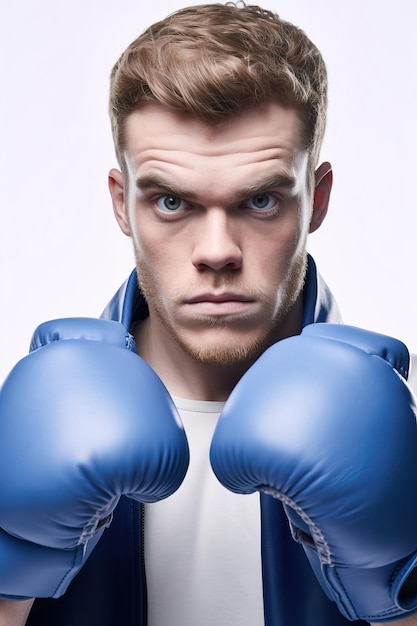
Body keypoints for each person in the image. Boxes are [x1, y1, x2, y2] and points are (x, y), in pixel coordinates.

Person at [1, 3, 417, 625]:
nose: (217, 250)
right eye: (172, 201)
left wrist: (392, 592)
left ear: (318, 200)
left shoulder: (396, 429)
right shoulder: (33, 424)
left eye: (260, 200)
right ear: (122, 205)